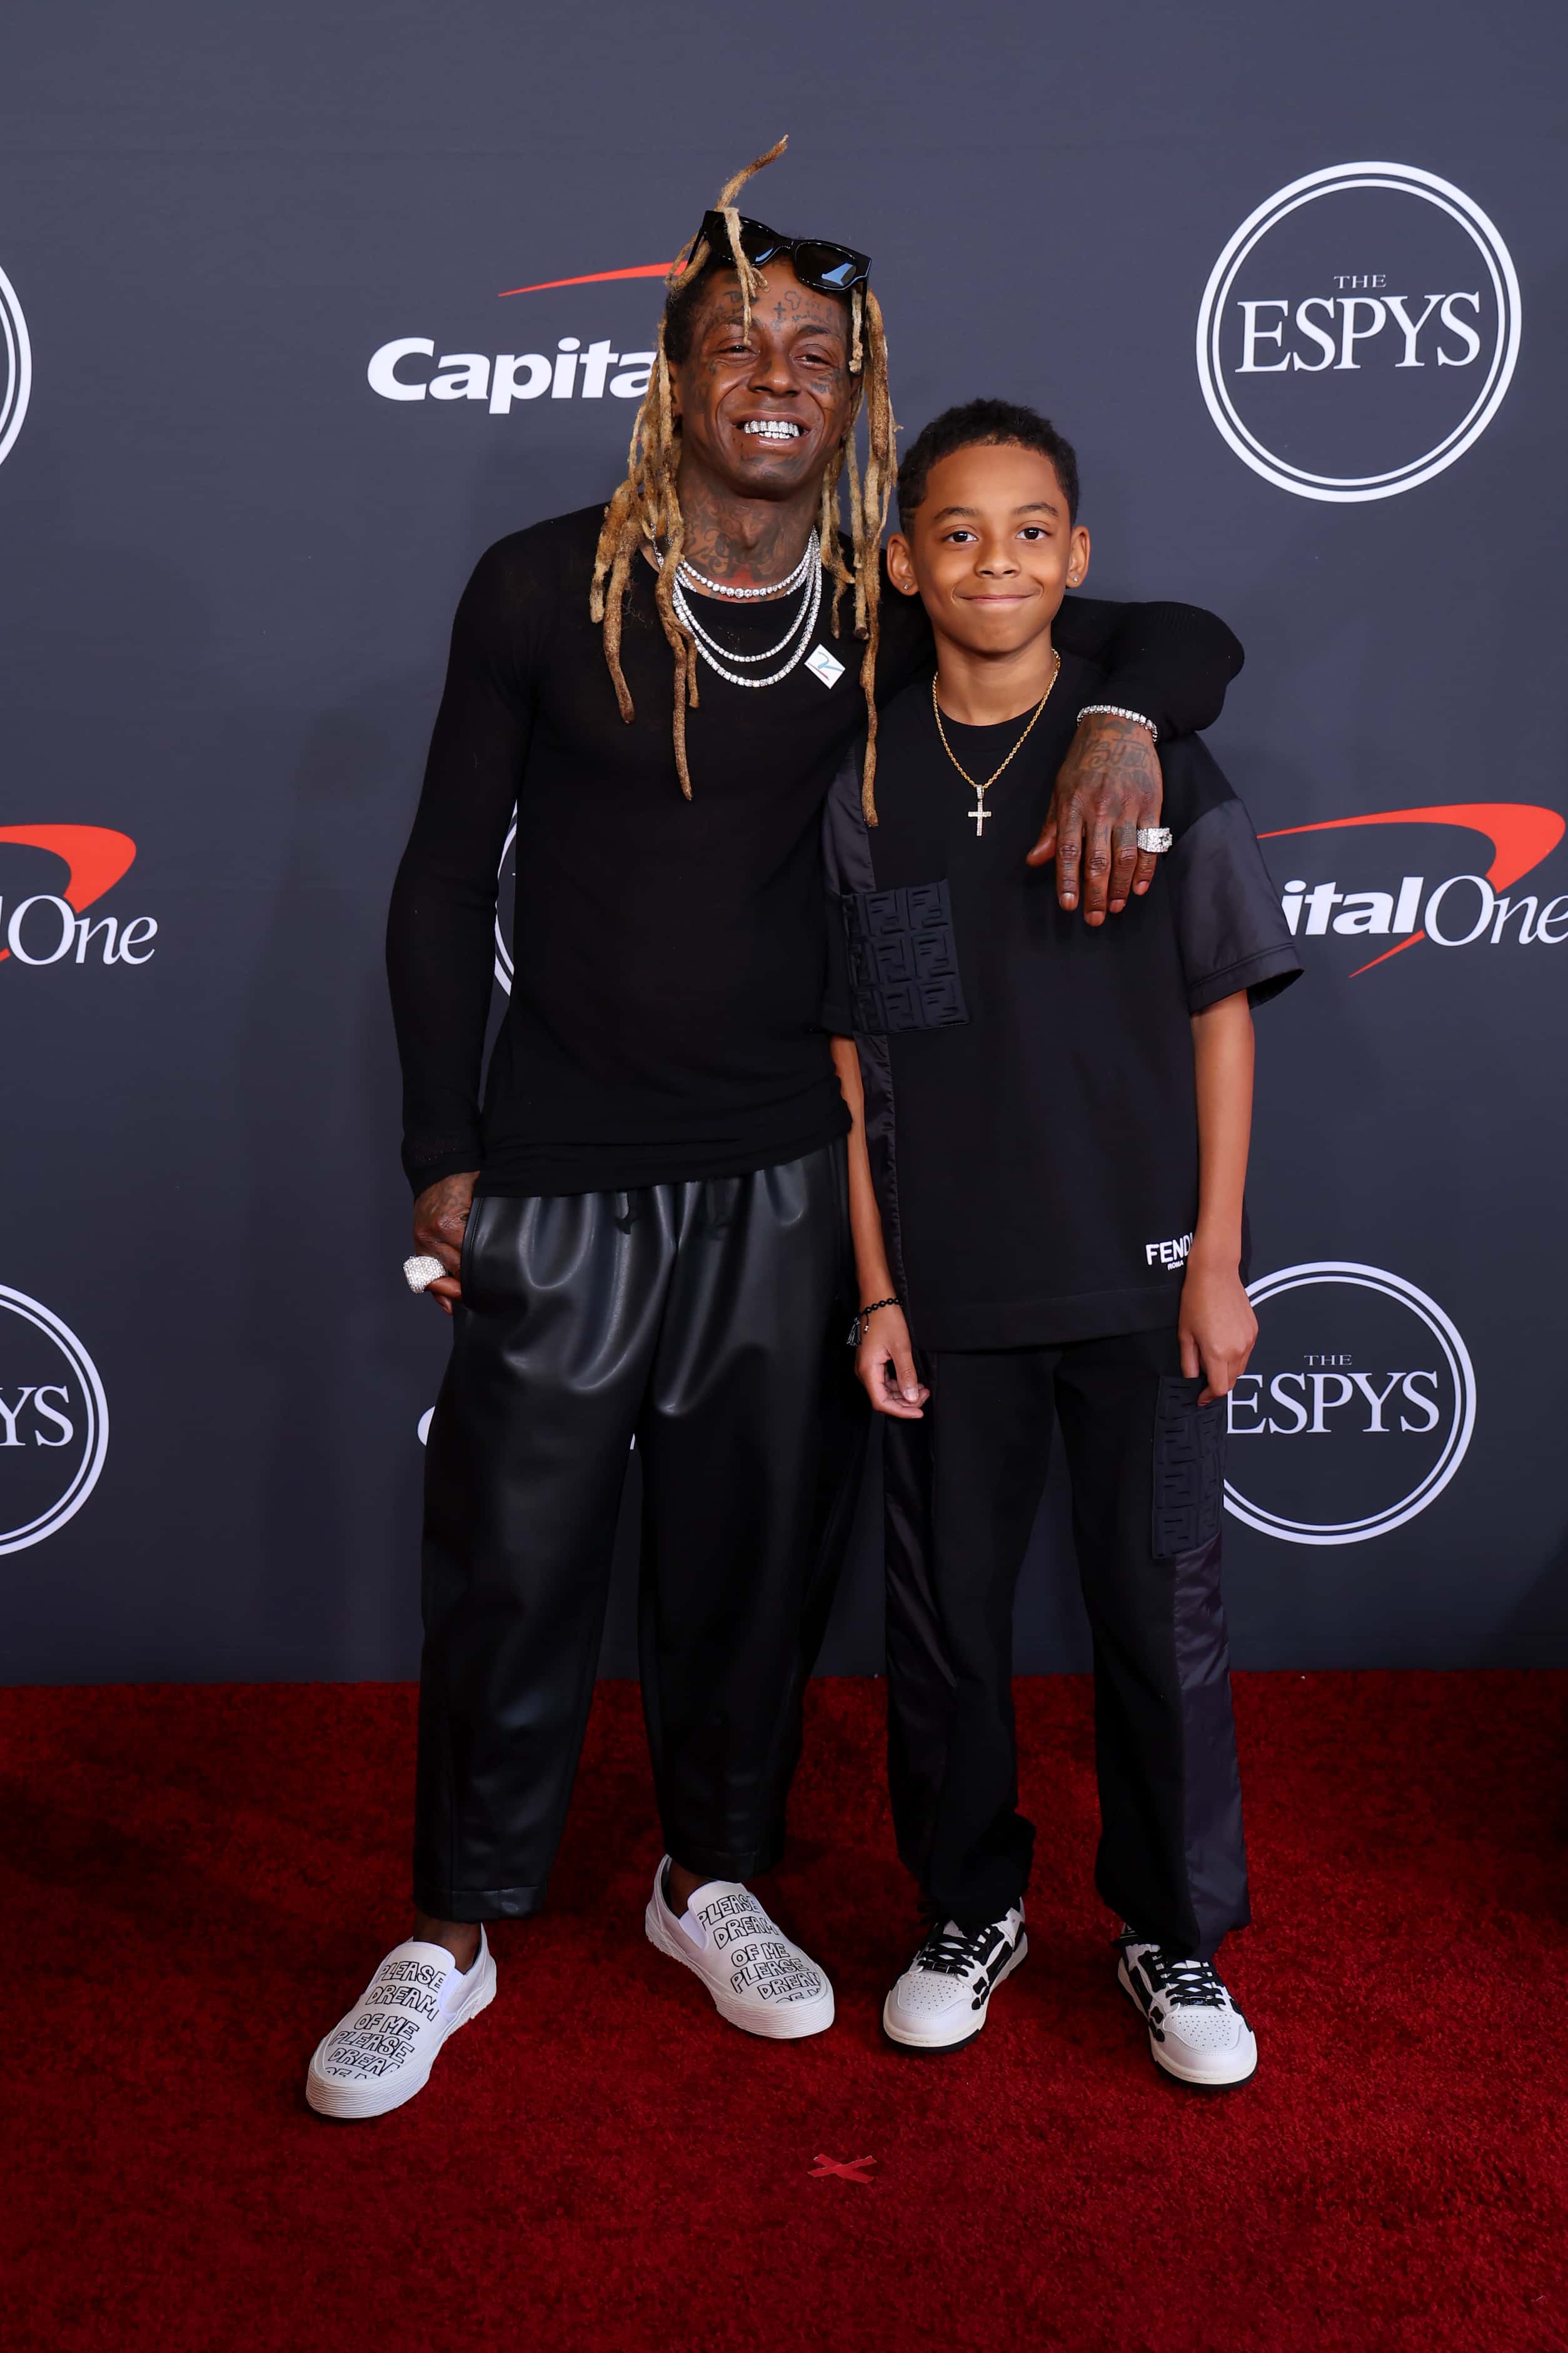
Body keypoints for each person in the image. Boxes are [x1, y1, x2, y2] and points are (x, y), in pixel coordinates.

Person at [305, 145, 1245, 2120]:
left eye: (814, 351)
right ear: (671, 378)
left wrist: (1119, 722)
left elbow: (1164, 633)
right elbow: (427, 885)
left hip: (791, 1173)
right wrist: (438, 1138)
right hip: (554, 1156)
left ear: (851, 397)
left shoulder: (888, 607)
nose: (776, 371)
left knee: (747, 1565)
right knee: (511, 1558)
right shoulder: (537, 588)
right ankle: (451, 1927)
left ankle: (708, 1876)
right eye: (737, 339)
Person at [825, 399, 1301, 2088]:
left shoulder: (1155, 755)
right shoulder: (870, 775)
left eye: (1031, 530)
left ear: (1077, 557)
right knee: (948, 1621)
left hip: (1146, 1281)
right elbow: (864, 1057)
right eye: (956, 531)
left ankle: (1172, 1931)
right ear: (902, 560)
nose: (995, 560)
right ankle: (966, 1903)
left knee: (1155, 1611)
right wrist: (880, 1281)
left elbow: (1218, 1013)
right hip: (953, 1296)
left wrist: (1217, 1257)